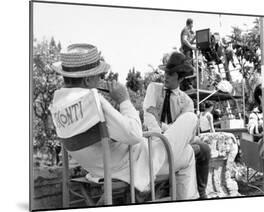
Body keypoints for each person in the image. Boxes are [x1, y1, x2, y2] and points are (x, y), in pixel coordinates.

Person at [49, 43, 198, 201]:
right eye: (99, 75)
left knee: (187, 152)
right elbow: (134, 134)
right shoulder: (93, 101)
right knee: (191, 122)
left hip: (98, 168)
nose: (101, 79)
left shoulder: (58, 104)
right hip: (133, 165)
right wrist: (124, 100)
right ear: (87, 80)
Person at [143, 51, 211, 199]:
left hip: (177, 143)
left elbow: (184, 132)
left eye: (171, 74)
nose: (166, 76)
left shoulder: (186, 101)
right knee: (192, 151)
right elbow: (149, 117)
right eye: (166, 72)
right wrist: (165, 131)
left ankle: (202, 192)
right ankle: (170, 186)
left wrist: (162, 125)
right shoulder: (153, 88)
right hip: (153, 141)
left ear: (180, 78)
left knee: (204, 149)